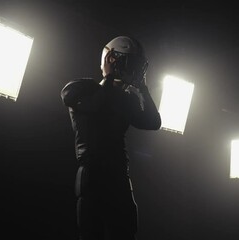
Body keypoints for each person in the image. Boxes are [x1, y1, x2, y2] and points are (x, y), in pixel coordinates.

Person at [61, 36, 162, 240]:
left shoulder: (124, 99)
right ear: (111, 59)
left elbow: (153, 122)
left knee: (126, 232)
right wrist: (107, 79)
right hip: (93, 173)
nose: (133, 70)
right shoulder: (82, 88)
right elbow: (95, 107)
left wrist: (143, 88)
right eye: (128, 63)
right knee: (91, 233)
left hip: (118, 174)